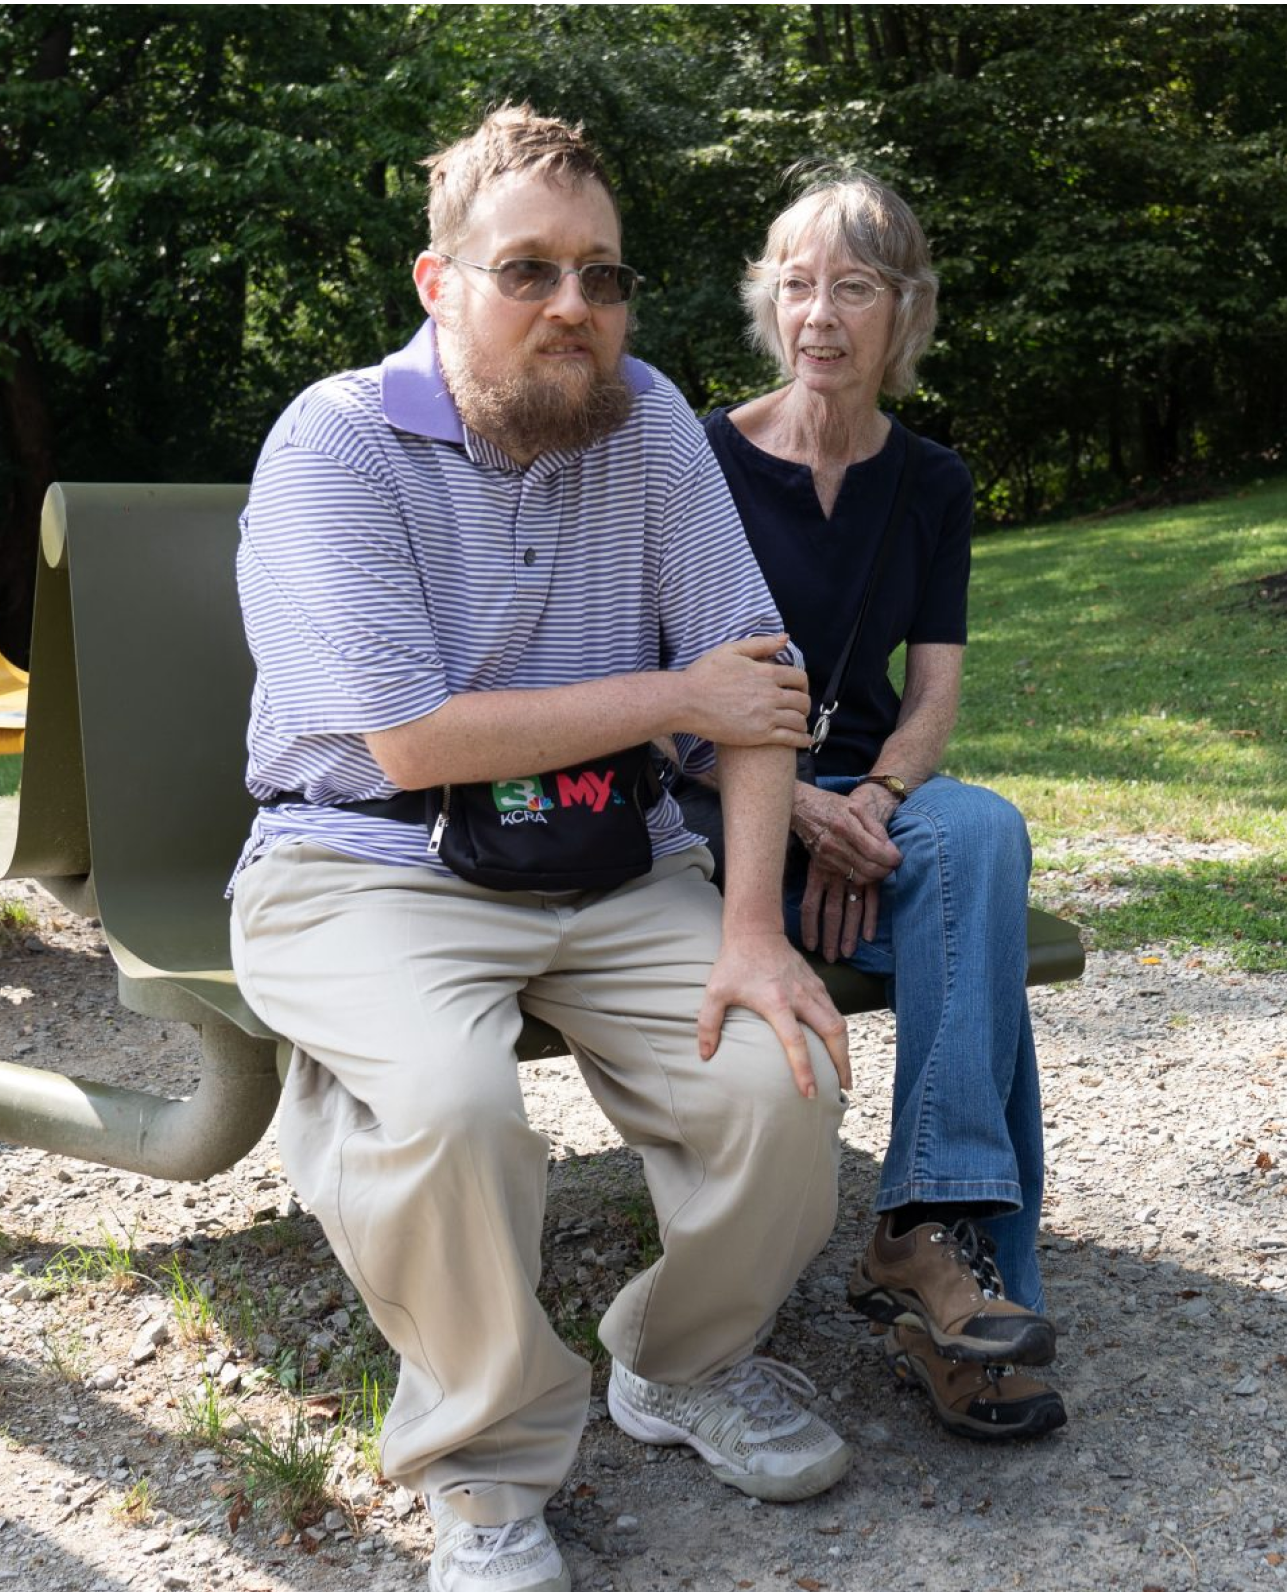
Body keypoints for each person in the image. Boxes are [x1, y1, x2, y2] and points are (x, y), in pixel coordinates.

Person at [228, 106, 857, 1594]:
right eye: (528, 271)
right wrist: (673, 700)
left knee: (782, 1074)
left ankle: (676, 1364)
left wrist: (756, 931)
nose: (575, 305)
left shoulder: (645, 422)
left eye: (604, 273)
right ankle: (488, 1467)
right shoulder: (338, 439)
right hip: (361, 864)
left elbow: (753, 692)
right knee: (451, 1113)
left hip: (606, 855)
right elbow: (415, 743)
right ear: (439, 283)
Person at [697, 172, 1064, 1442]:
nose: (819, 316)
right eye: (796, 285)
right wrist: (801, 808)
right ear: (767, 304)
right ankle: (968, 1304)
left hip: (871, 806)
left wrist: (879, 800)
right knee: (984, 955)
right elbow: (661, 696)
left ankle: (923, 1232)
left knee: (981, 833)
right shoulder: (698, 462)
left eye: (852, 287)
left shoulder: (934, 482)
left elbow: (932, 697)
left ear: (902, 314)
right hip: (721, 811)